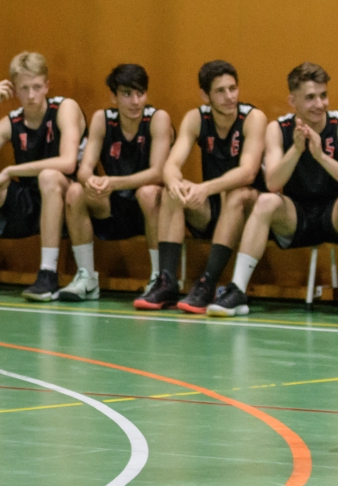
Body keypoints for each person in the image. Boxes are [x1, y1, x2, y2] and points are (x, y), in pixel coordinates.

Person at [208, 62, 338, 316]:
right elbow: (273, 184)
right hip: (296, 216)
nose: (319, 104)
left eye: (323, 95)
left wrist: (321, 157)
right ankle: (237, 291)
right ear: (293, 101)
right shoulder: (278, 129)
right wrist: (296, 150)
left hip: (332, 214)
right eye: (310, 97)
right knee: (266, 201)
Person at [135, 60, 266, 312]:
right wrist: (174, 182)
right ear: (206, 95)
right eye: (221, 91)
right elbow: (171, 164)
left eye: (233, 88)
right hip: (212, 209)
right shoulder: (196, 118)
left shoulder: (253, 118)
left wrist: (206, 188)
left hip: (247, 213)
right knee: (173, 191)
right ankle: (166, 281)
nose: (230, 96)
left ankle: (207, 283)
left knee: (237, 193)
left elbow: (248, 172)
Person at [58, 64, 172, 301]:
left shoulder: (158, 118)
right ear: (114, 96)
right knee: (75, 191)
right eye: (127, 94)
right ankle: (87, 278)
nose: (135, 101)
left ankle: (158, 278)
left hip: (149, 210)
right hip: (113, 205)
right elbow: (84, 169)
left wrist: (114, 182)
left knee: (149, 193)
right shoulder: (102, 119)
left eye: (140, 93)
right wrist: (92, 181)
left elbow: (158, 173)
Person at [0, 52, 86, 301]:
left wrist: (11, 171)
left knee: (48, 176)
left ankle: (48, 273)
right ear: (15, 90)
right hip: (30, 201)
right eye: (24, 89)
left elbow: (68, 162)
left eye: (37, 87)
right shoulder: (13, 121)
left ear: (47, 85)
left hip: (69, 197)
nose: (31, 95)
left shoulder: (64, 108)